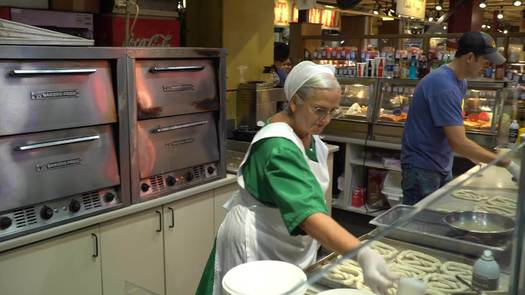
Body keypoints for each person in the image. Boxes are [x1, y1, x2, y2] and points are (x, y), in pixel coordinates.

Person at [197, 61, 397, 295]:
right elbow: (307, 213)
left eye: (333, 111)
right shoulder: (277, 146)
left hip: (284, 239)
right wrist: (361, 252)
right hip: (259, 242)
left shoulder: (306, 134)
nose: (326, 119)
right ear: (294, 101)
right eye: (319, 110)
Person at [401, 31, 520, 205]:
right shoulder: (444, 85)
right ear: (470, 57)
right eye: (486, 62)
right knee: (418, 224)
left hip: (440, 162)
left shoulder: (460, 81)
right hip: (422, 168)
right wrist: (507, 164)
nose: (488, 67)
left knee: (438, 215)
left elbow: (452, 131)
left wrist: (475, 156)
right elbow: (459, 143)